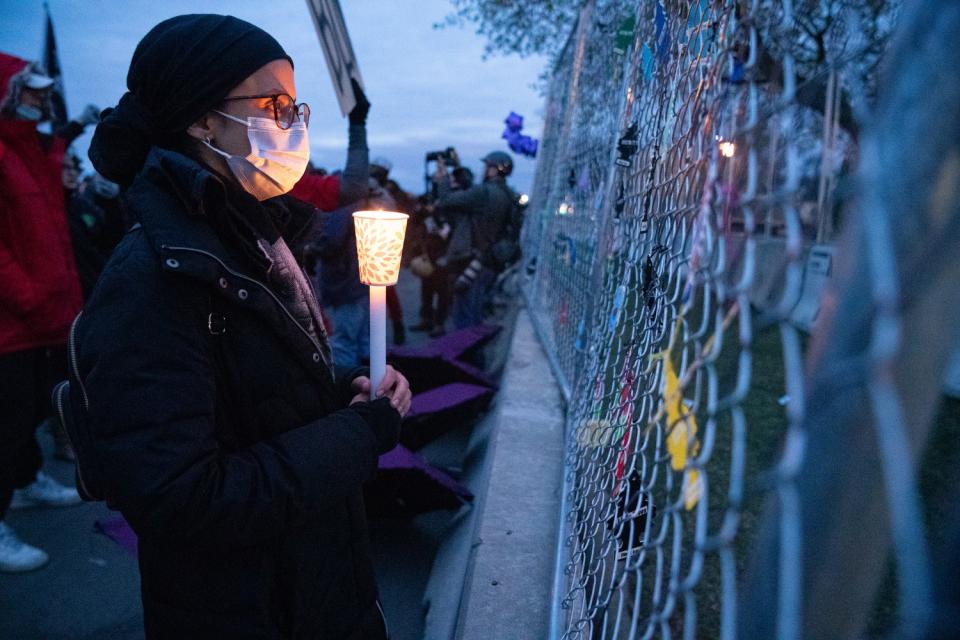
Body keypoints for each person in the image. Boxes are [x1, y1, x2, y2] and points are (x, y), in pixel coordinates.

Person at [79, 15, 410, 638]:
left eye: (297, 105)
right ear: (203, 119)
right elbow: (182, 497)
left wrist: (342, 390)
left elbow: (247, 383)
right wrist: (356, 437)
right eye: (274, 105)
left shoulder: (253, 236)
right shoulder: (153, 279)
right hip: (249, 610)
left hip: (312, 586)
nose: (294, 124)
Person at [0, 53, 85, 574]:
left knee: (31, 411)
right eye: (30, 91)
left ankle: (26, 481)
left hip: (45, 318)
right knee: (7, 422)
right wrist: (29, 298)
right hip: (13, 323)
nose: (41, 99)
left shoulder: (29, 151)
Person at [433, 150, 516, 328]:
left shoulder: (484, 192)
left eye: (487, 166)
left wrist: (442, 179)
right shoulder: (508, 194)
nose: (484, 170)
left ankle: (464, 354)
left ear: (494, 170)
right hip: (491, 260)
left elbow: (447, 200)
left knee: (465, 317)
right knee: (475, 313)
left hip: (472, 260)